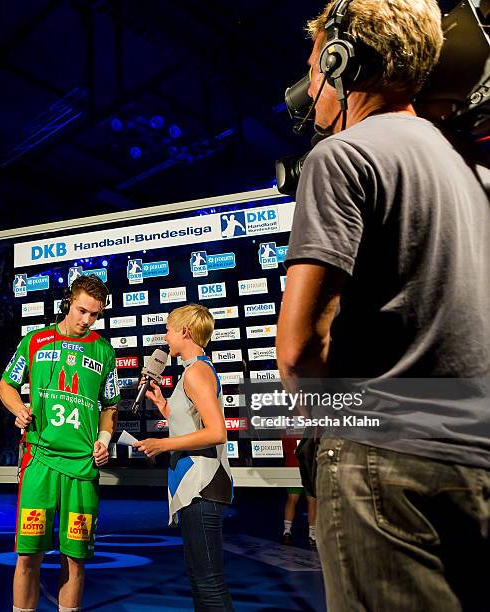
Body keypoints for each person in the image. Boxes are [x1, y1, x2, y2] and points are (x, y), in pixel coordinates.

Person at [275, 1, 489, 610]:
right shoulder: (474, 174)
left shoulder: (344, 157)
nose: (309, 89)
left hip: (381, 465)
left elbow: (300, 350)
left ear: (343, 61)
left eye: (314, 67)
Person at [0, 275, 120, 612]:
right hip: (39, 462)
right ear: (68, 302)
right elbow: (6, 385)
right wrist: (19, 409)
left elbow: (110, 407)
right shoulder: (35, 342)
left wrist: (104, 438)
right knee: (28, 556)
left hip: (82, 469)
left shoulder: (104, 350)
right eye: (82, 311)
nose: (87, 320)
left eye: (95, 315)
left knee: (76, 560)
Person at [134, 304, 234, 611]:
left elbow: (217, 432)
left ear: (185, 332)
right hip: (195, 487)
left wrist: (163, 446)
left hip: (202, 487)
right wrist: (164, 405)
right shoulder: (193, 371)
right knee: (201, 582)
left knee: (209, 585)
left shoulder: (197, 373)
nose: (165, 335)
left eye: (168, 328)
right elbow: (192, 423)